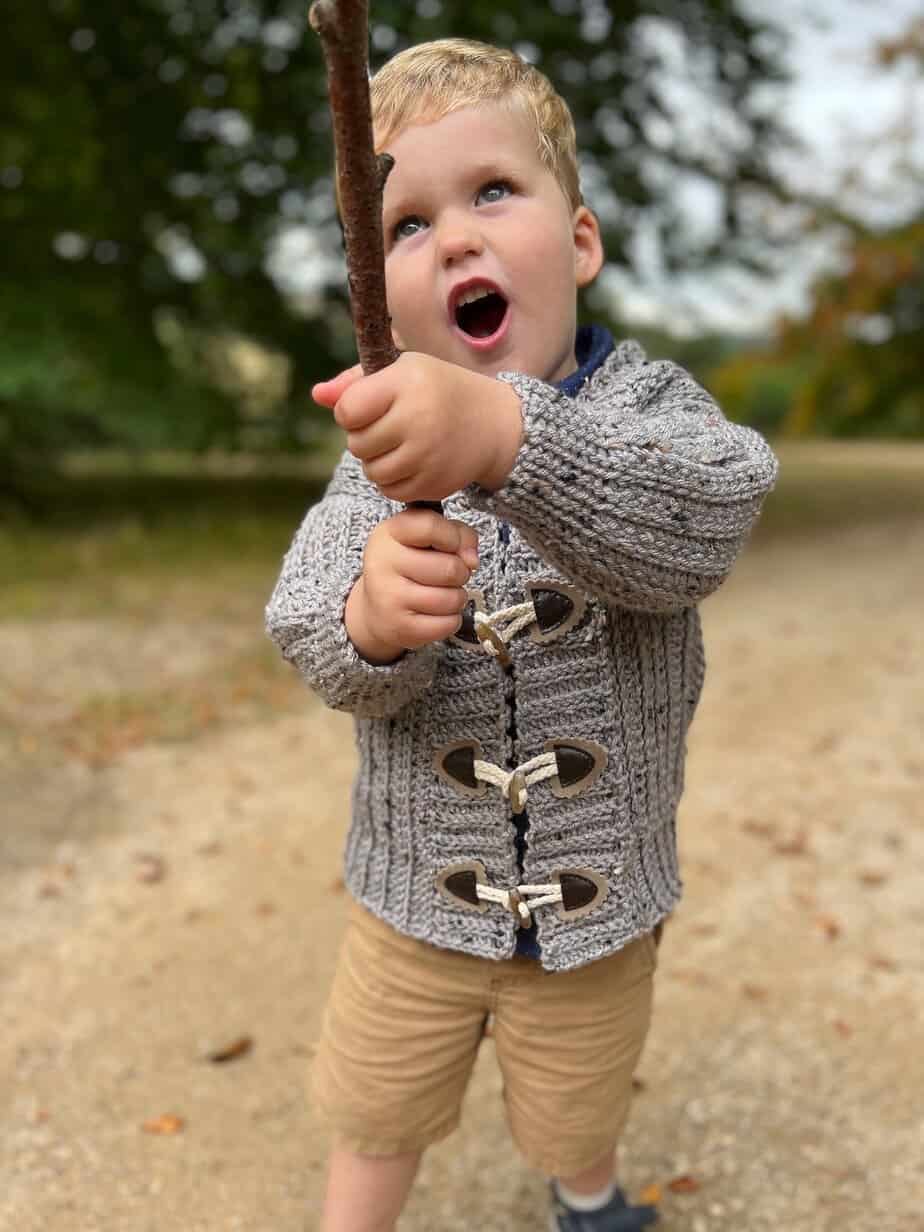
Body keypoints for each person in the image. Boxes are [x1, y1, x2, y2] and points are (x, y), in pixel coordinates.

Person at [266, 38, 778, 1232]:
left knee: (576, 1100)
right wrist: (367, 626)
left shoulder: (653, 411)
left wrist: (508, 438)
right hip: (413, 899)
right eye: (404, 224)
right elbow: (302, 619)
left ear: (582, 239)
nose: (455, 238)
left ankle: (588, 1194)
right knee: (377, 1099)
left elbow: (701, 520)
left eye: (494, 191)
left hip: (599, 907)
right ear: (370, 290)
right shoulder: (379, 462)